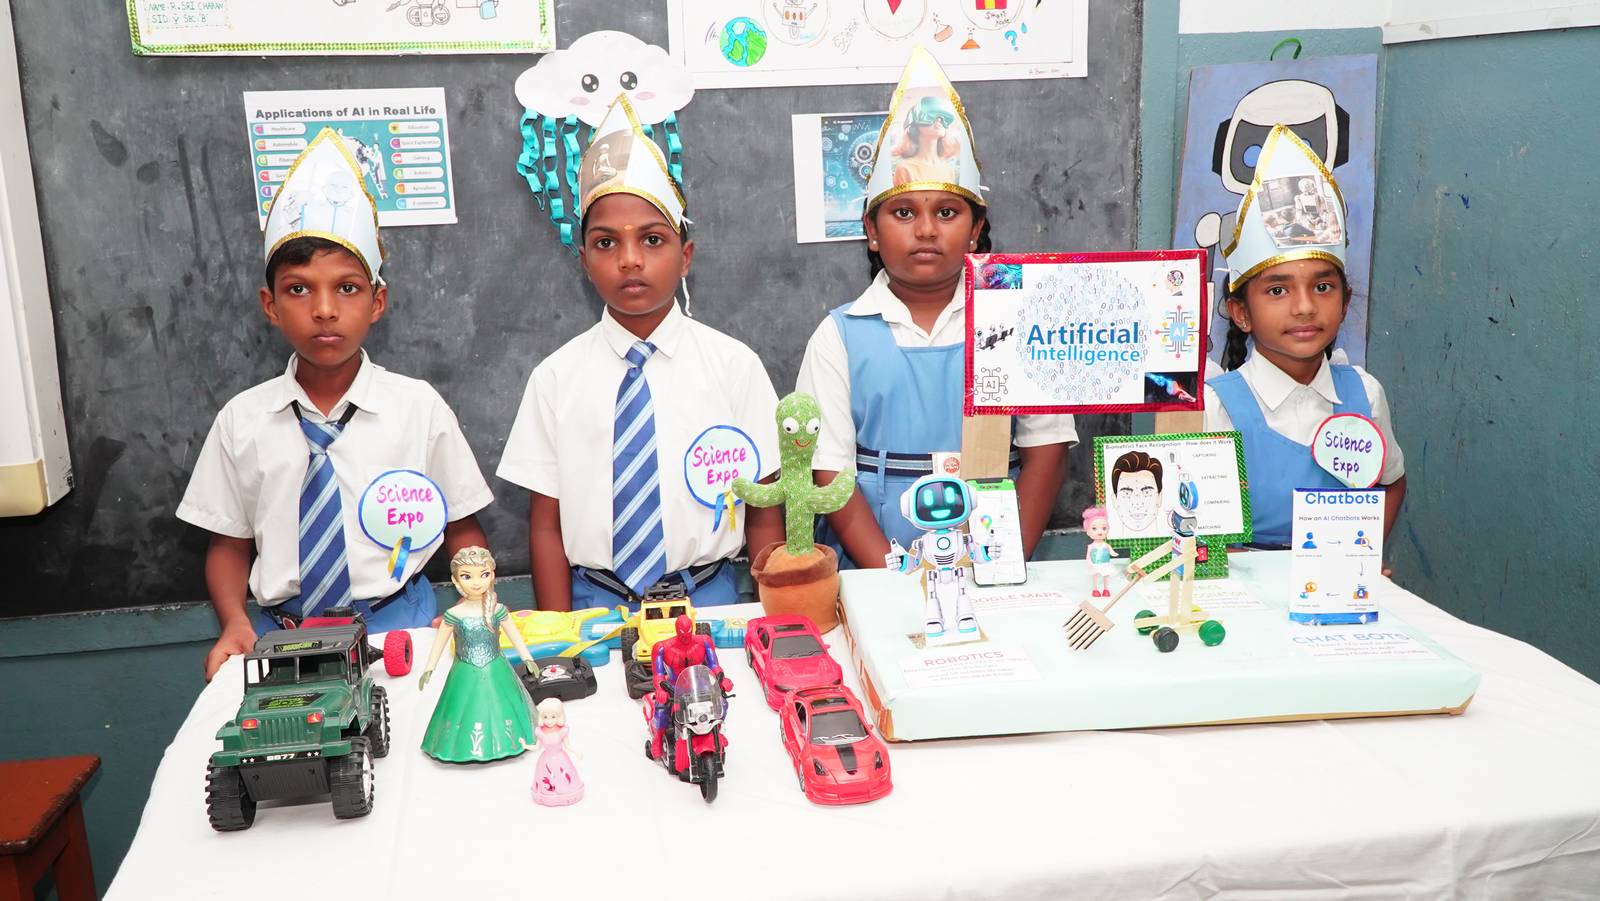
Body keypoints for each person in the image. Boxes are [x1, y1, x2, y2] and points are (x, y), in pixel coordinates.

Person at [178, 129, 492, 680]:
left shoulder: (417, 408)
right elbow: (229, 542)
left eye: (346, 288)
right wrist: (234, 621)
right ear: (270, 305)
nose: (324, 310)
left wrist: (476, 608)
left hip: (402, 626)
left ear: (377, 301)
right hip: (283, 635)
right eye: (299, 289)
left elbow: (461, 526)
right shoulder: (242, 421)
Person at [499, 94, 783, 611]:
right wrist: (559, 633)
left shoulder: (733, 366)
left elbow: (764, 509)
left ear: (685, 256)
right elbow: (546, 523)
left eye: (652, 240)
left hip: (711, 598)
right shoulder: (556, 378)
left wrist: (769, 614)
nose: (630, 260)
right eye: (606, 243)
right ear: (584, 261)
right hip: (594, 605)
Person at [796, 48, 1074, 568]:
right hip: (874, 567)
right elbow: (829, 473)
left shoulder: (1016, 324)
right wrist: (892, 575)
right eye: (903, 213)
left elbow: (1047, 452)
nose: (925, 230)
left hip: (993, 558)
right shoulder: (840, 336)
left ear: (975, 230)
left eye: (947, 213)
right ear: (871, 231)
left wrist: (1002, 560)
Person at [1206, 125, 1406, 549]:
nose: (1304, 307)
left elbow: (1391, 482)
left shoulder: (1365, 395)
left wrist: (1363, 555)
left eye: (1322, 286)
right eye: (1278, 291)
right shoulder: (1217, 408)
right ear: (1241, 313)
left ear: (1345, 301)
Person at [417, 546, 537, 763]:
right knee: (462, 707)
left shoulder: (497, 610)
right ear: (455, 580)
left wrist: (527, 657)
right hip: (464, 670)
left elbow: (515, 636)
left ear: (492, 575)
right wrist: (429, 668)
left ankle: (509, 741)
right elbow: (439, 643)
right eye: (467, 576)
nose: (476, 582)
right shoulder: (454, 614)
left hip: (495, 666)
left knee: (502, 706)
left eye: (484, 574)